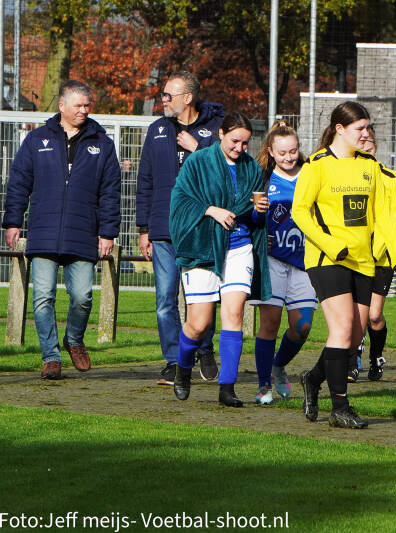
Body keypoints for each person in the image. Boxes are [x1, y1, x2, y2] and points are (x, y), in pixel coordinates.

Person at [292, 101, 396, 429]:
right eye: (360, 128)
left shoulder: (369, 166)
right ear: (339, 129)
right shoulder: (316, 165)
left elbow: (383, 217)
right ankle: (340, 408)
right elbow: (300, 211)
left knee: (353, 337)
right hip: (326, 259)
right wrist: (330, 244)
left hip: (363, 261)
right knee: (342, 329)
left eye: (368, 128)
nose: (366, 133)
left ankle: (313, 379)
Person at [2, 80, 120, 380]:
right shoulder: (36, 139)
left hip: (84, 233)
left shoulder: (102, 144)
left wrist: (108, 232)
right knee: (43, 297)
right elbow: (18, 183)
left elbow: (110, 191)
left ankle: (74, 339)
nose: (84, 110)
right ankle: (51, 357)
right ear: (62, 106)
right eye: (78, 105)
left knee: (82, 297)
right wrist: (13, 221)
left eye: (87, 105)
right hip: (43, 232)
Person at [169, 112, 271, 407]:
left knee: (234, 316)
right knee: (198, 324)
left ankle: (227, 388)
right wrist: (211, 210)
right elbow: (180, 202)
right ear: (221, 134)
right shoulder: (198, 162)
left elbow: (251, 216)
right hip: (203, 247)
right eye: (235, 140)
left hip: (239, 248)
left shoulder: (251, 168)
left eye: (245, 143)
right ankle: (183, 367)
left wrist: (258, 210)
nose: (240, 148)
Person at [137, 71, 225, 386]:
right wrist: (143, 227)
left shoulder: (216, 129)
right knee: (165, 301)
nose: (163, 100)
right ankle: (175, 360)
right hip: (163, 229)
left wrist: (198, 147)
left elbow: (227, 170)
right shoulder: (158, 130)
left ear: (187, 98)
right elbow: (145, 179)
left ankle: (203, 348)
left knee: (202, 297)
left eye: (168, 96)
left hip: (200, 227)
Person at [249, 120, 316, 405]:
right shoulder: (263, 179)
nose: (289, 157)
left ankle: (278, 365)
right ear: (271, 152)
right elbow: (251, 218)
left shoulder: (312, 174)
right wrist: (258, 228)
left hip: (306, 260)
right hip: (273, 261)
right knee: (270, 323)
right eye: (283, 152)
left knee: (302, 327)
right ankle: (264, 385)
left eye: (293, 151)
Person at [348, 125, 396, 382]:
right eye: (361, 146)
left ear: (375, 148)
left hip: (380, 257)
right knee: (353, 314)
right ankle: (350, 360)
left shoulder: (391, 179)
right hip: (353, 255)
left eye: (368, 146)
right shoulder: (346, 177)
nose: (364, 150)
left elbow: (390, 219)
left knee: (373, 315)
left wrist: (390, 251)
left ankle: (376, 356)